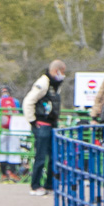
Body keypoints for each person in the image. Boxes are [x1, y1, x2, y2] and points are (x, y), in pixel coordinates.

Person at [23, 60, 66, 195]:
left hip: (51, 124)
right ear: (56, 71)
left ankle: (49, 184)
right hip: (41, 125)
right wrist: (32, 120)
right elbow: (28, 101)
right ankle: (35, 185)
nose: (63, 75)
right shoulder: (43, 83)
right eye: (62, 72)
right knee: (40, 157)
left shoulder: (55, 85)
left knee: (53, 156)